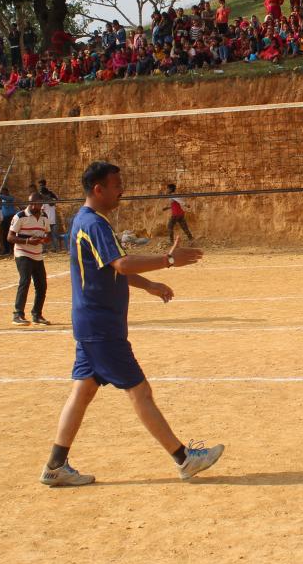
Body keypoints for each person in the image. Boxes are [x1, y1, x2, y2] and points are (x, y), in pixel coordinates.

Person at [40, 161, 223, 486]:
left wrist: (148, 285)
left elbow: (112, 268)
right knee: (140, 391)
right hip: (101, 326)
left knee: (82, 393)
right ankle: (184, 458)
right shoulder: (93, 223)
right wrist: (168, 260)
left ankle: (55, 466)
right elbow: (122, 264)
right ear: (98, 189)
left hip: (92, 323)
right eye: (116, 186)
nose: (121, 191)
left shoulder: (85, 221)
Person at [9, 193, 52, 326]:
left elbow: (48, 234)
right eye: (32, 203)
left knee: (42, 285)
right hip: (22, 253)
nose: (34, 206)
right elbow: (10, 237)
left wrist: (45, 239)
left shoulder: (44, 217)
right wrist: (28, 241)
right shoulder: (20, 216)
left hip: (37, 254)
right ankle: (18, 314)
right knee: (25, 281)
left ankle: (37, 315)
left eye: (37, 204)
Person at [37, 178, 59, 252]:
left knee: (48, 235)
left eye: (41, 185)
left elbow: (42, 211)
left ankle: (50, 249)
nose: (41, 186)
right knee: (49, 235)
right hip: (50, 221)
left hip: (49, 221)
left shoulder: (46, 199)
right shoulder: (47, 200)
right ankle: (51, 248)